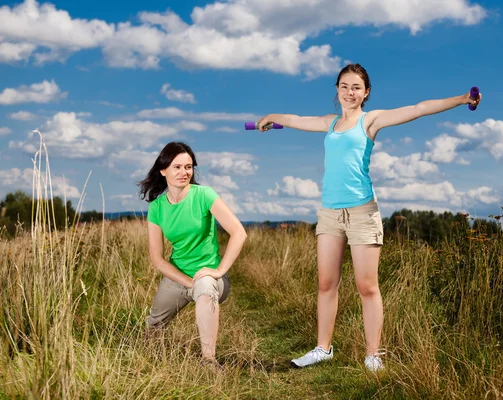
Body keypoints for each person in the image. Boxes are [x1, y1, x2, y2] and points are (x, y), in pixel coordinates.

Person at [257, 63, 481, 372]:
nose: (349, 92)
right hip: (330, 212)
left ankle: (373, 354)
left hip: (362, 212)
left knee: (367, 286)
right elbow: (296, 120)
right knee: (326, 283)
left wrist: (461, 99)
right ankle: (323, 348)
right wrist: (271, 117)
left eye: (356, 87)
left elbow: (418, 108)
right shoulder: (329, 122)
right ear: (337, 90)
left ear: (366, 93)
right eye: (344, 86)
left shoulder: (370, 120)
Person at [138, 141, 247, 364]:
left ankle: (209, 362)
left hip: (209, 276)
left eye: (188, 167)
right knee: (151, 332)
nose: (184, 172)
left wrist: (218, 270)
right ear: (163, 170)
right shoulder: (157, 208)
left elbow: (239, 232)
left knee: (205, 288)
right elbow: (157, 259)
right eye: (177, 167)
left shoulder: (204, 195)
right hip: (178, 277)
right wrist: (188, 282)